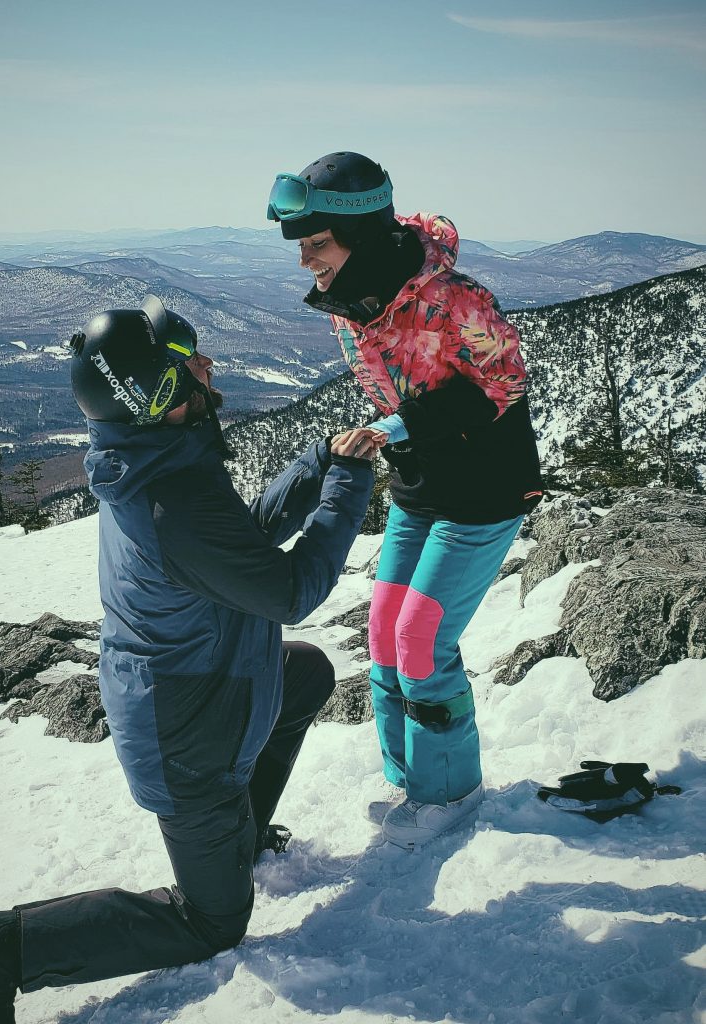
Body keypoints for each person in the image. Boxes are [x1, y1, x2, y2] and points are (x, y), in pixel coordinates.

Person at [0, 295, 376, 1023]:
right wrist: (349, 484)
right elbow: (289, 590)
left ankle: (234, 844)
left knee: (305, 675)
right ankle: (4, 947)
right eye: (186, 362)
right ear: (156, 394)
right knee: (213, 924)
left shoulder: (159, 459)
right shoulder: (169, 500)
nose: (206, 364)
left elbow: (239, 537)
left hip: (207, 690)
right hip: (186, 738)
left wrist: (319, 461)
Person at [267, 152, 543, 850]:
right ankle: (413, 778)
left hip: (483, 489)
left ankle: (450, 792)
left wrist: (399, 425)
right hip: (420, 485)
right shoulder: (350, 304)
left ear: (359, 235)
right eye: (300, 248)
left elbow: (506, 382)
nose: (306, 263)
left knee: (422, 638)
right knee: (386, 631)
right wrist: (389, 435)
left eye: (317, 246)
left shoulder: (454, 299)